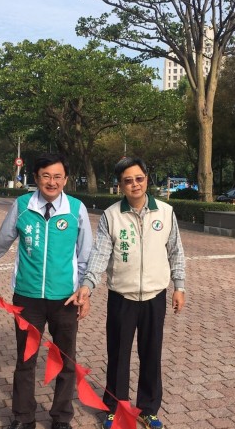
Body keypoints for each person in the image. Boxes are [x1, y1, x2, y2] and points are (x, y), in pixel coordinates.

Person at [0, 153, 93, 429]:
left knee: (65, 361)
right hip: (27, 298)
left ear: (66, 179)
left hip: (65, 299)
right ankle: (23, 418)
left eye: (58, 176)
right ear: (36, 178)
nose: (52, 181)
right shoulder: (22, 205)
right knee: (26, 360)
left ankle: (61, 418)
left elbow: (86, 254)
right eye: (46, 176)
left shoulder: (75, 208)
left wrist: (85, 290)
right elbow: (2, 241)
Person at [66, 157, 186, 429]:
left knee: (151, 353)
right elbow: (99, 255)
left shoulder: (165, 212)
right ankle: (116, 408)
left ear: (147, 178)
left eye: (139, 178)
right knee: (118, 354)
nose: (135, 184)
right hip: (122, 297)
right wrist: (88, 285)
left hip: (155, 297)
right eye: (128, 180)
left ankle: (148, 409)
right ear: (120, 185)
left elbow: (176, 252)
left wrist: (179, 286)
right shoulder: (111, 215)